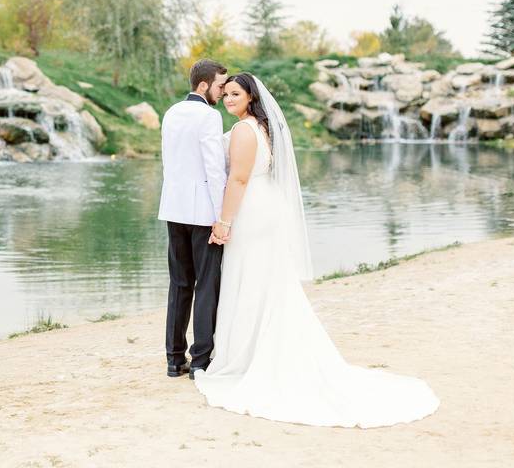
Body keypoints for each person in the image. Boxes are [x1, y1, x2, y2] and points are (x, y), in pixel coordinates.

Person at [193, 72, 439, 427]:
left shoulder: (245, 131)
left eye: (236, 93)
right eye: (226, 93)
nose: (229, 99)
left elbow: (239, 178)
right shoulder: (261, 128)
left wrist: (224, 221)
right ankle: (253, 349)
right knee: (263, 280)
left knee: (249, 278)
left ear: (251, 97)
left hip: (252, 210)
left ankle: (246, 358)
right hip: (266, 207)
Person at [157, 59, 229, 378]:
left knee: (180, 284)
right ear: (203, 86)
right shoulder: (209, 116)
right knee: (206, 284)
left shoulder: (171, 113)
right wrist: (221, 217)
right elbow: (214, 169)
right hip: (202, 213)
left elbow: (169, 163)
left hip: (174, 209)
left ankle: (174, 359)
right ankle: (200, 359)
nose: (222, 93)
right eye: (219, 86)